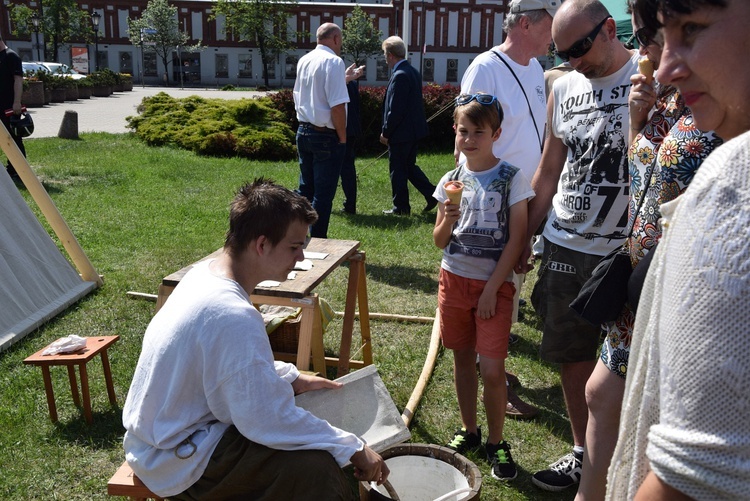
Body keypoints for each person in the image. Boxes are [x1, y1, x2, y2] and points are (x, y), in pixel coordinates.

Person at [122, 179, 388, 500]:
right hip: (176, 456)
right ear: (261, 245)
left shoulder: (205, 274)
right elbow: (264, 420)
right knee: (317, 469)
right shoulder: (232, 312)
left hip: (160, 436)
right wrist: (354, 447)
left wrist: (292, 378)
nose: (301, 257)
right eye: (294, 246)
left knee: (311, 438)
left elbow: (230, 365)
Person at [576, 2, 722, 499]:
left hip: (680, 290)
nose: (653, 56)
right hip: (636, 278)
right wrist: (638, 119)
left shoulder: (722, 106)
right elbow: (647, 179)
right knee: (600, 395)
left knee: (648, 417)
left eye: (655, 39)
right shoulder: (670, 99)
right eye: (651, 40)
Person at [607, 0, 750, 499]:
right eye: (661, 34)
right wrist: (637, 116)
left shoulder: (735, 176)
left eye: (692, 27)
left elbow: (692, 475)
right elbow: (640, 169)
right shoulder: (668, 103)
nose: (665, 63)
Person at [516, 0, 640, 492]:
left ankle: (622, 462)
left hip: (627, 251)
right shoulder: (563, 87)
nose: (570, 63)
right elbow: (549, 170)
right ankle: (582, 452)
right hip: (566, 244)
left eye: (578, 50)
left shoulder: (649, 79)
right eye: (561, 54)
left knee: (627, 365)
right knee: (573, 357)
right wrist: (526, 232)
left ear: (609, 29)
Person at [459, 0, 559, 421]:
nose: (557, 33)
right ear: (525, 23)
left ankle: (494, 366)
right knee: (493, 289)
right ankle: (491, 372)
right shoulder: (486, 67)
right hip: (493, 206)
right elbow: (465, 136)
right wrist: (466, 202)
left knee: (510, 289)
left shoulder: (536, 69)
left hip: (526, 200)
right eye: (552, 24)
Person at [434, 93, 534, 481]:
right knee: (461, 358)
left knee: (492, 369)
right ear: (455, 133)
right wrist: (447, 216)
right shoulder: (450, 180)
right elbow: (440, 241)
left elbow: (517, 238)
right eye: (464, 131)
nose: (470, 139)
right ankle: (470, 430)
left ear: (496, 134)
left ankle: (496, 441)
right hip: (453, 278)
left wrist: (495, 288)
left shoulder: (511, 178)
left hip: (494, 286)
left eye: (479, 131)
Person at [294, 23, 356, 238]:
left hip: (303, 130)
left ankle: (297, 236)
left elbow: (309, 92)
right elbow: (337, 105)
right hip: (325, 135)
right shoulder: (334, 61)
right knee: (323, 193)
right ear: (336, 39)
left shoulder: (305, 60)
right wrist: (342, 137)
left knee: (305, 190)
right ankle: (318, 239)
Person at [380, 36, 437, 216]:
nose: (384, 59)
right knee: (409, 167)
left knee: (398, 170)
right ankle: (432, 194)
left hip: (401, 133)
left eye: (384, 55)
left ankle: (401, 207)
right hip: (412, 132)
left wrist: (386, 133)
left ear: (390, 55)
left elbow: (395, 109)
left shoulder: (400, 75)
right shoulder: (411, 71)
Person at [340, 64, 364, 215]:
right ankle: (350, 204)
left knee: (345, 169)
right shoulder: (352, 84)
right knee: (348, 169)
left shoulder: (344, 84)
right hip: (352, 130)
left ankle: (350, 205)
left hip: (344, 131)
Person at [0, 36, 25, 180]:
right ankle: (10, 170)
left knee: (13, 138)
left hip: (9, 106)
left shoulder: (11, 56)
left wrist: (17, 102)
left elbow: (18, 80)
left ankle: (18, 171)